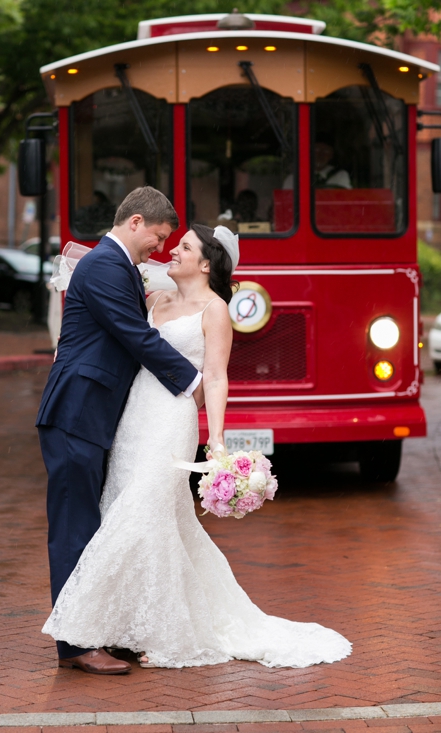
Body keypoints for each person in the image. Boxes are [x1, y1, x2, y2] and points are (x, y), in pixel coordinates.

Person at [42, 225, 352, 669]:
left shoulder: (216, 310)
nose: (172, 250)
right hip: (131, 416)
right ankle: (123, 626)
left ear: (206, 263)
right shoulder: (155, 299)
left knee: (143, 513)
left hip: (171, 418)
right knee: (119, 510)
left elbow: (216, 375)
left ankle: (153, 632)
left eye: (184, 246)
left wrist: (217, 436)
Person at [35, 186, 203, 675]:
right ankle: (75, 644)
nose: (161, 246)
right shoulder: (106, 266)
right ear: (134, 222)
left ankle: (98, 631)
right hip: (76, 412)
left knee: (93, 526)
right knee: (74, 527)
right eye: (158, 235)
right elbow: (134, 334)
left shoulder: (116, 265)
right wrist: (190, 379)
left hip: (93, 413)